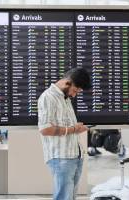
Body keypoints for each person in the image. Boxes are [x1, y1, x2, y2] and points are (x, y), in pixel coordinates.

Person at [38, 68, 91, 200]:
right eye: (74, 91)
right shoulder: (48, 97)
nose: (74, 95)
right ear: (67, 83)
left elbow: (65, 125)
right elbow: (45, 129)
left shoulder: (65, 98)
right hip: (61, 157)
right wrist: (74, 129)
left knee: (70, 197)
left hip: (75, 155)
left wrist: (75, 127)